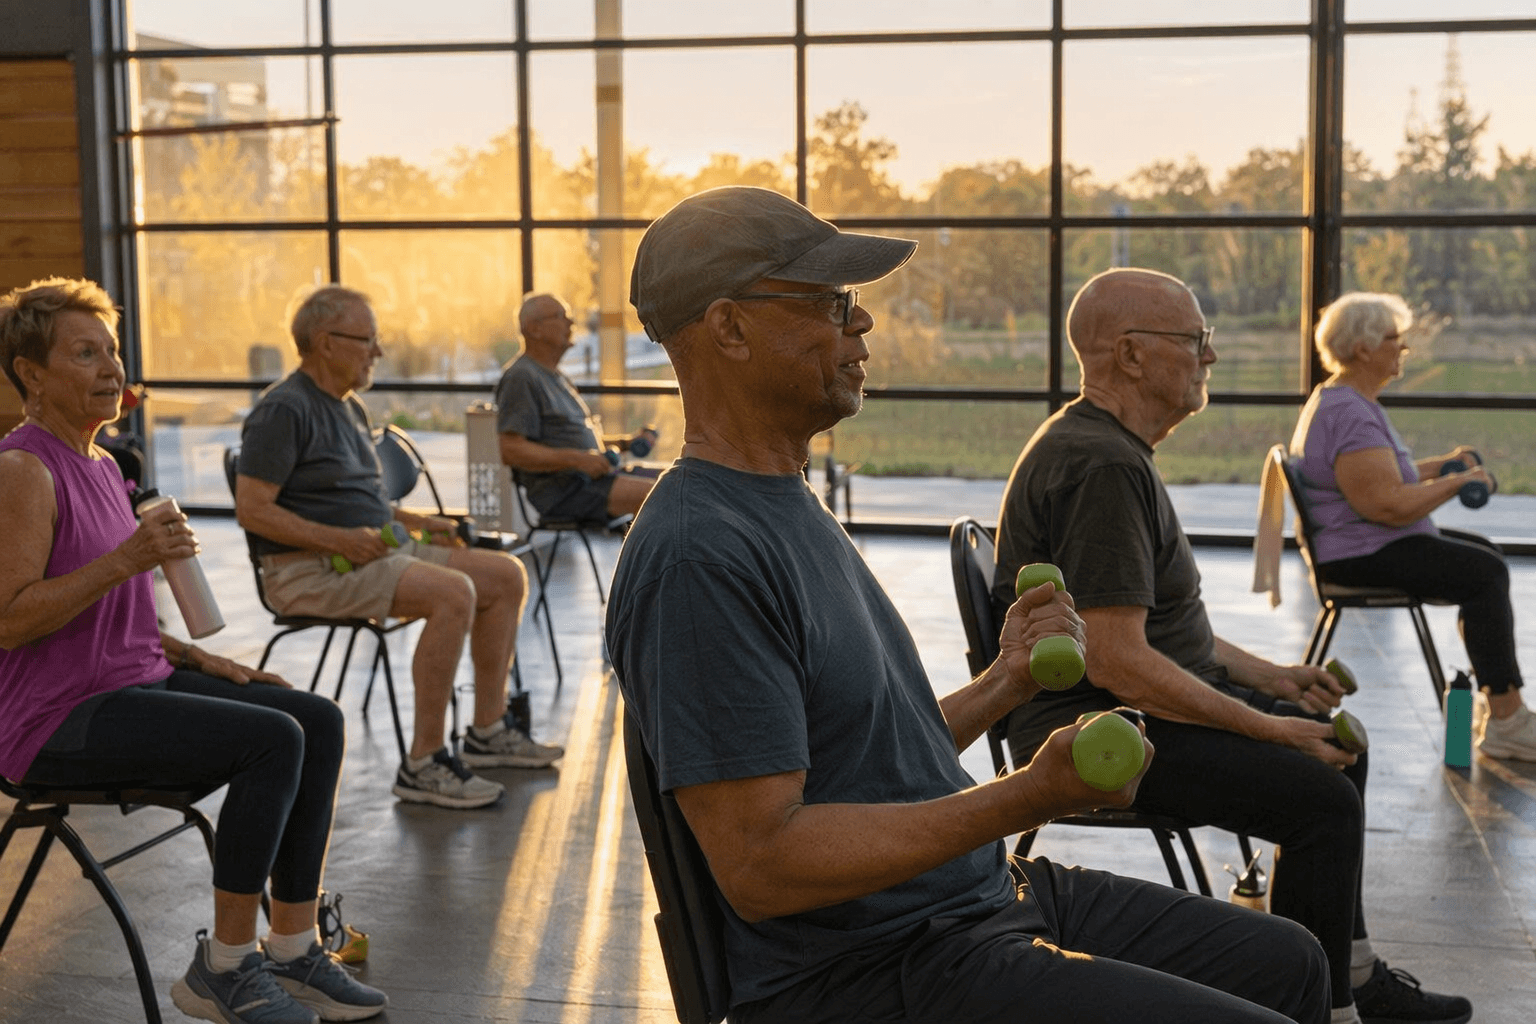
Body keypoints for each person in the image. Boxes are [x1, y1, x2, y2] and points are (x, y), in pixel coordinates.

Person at [607, 187, 1330, 1024]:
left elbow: (872, 757)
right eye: (831, 303)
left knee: (1290, 961)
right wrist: (1030, 795)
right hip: (876, 967)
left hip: (971, 898)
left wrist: (1006, 683)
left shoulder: (783, 499)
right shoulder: (701, 556)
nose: (862, 326)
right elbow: (764, 864)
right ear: (729, 328)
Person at [992, 267, 1472, 1024]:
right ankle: (1320, 1008)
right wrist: (1269, 727)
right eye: (1196, 340)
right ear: (1131, 356)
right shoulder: (1103, 466)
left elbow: (1155, 631)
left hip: (1125, 708)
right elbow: (1119, 662)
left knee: (1345, 752)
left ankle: (1345, 972)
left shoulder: (1109, 449)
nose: (1209, 357)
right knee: (1319, 796)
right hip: (1099, 732)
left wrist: (1273, 679)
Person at [0, 277, 387, 1024]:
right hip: (54, 720)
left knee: (317, 717)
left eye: (111, 350)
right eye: (85, 353)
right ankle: (226, 968)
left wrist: (205, 659)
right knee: (272, 739)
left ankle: (292, 944)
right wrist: (128, 558)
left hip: (131, 680)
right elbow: (10, 621)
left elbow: (112, 614)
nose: (111, 367)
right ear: (31, 374)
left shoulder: (106, 464)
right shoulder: (22, 470)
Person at [235, 285, 562, 811]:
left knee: (505, 576)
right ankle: (424, 763)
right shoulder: (283, 411)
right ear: (325, 342)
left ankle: (487, 729)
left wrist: (417, 521)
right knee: (453, 593)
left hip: (371, 553)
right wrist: (341, 539)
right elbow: (253, 509)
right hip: (309, 570)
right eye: (367, 340)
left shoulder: (349, 407)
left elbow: (365, 503)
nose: (378, 353)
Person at [1291, 291, 1535, 761]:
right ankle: (1507, 719)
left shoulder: (1346, 400)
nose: (1403, 349)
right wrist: (1459, 482)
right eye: (1394, 339)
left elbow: (1382, 477)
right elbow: (1385, 505)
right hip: (1362, 553)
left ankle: (1499, 704)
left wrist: (1441, 467)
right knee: (1482, 573)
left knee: (1485, 558)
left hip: (1365, 543)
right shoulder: (1350, 413)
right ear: (1363, 348)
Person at [495, 292, 659, 522]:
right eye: (561, 316)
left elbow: (574, 440)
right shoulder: (521, 377)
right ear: (534, 329)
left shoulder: (557, 376)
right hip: (567, 490)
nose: (571, 322)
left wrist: (626, 443)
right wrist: (578, 461)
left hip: (592, 480)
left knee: (678, 480)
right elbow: (511, 449)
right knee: (666, 496)